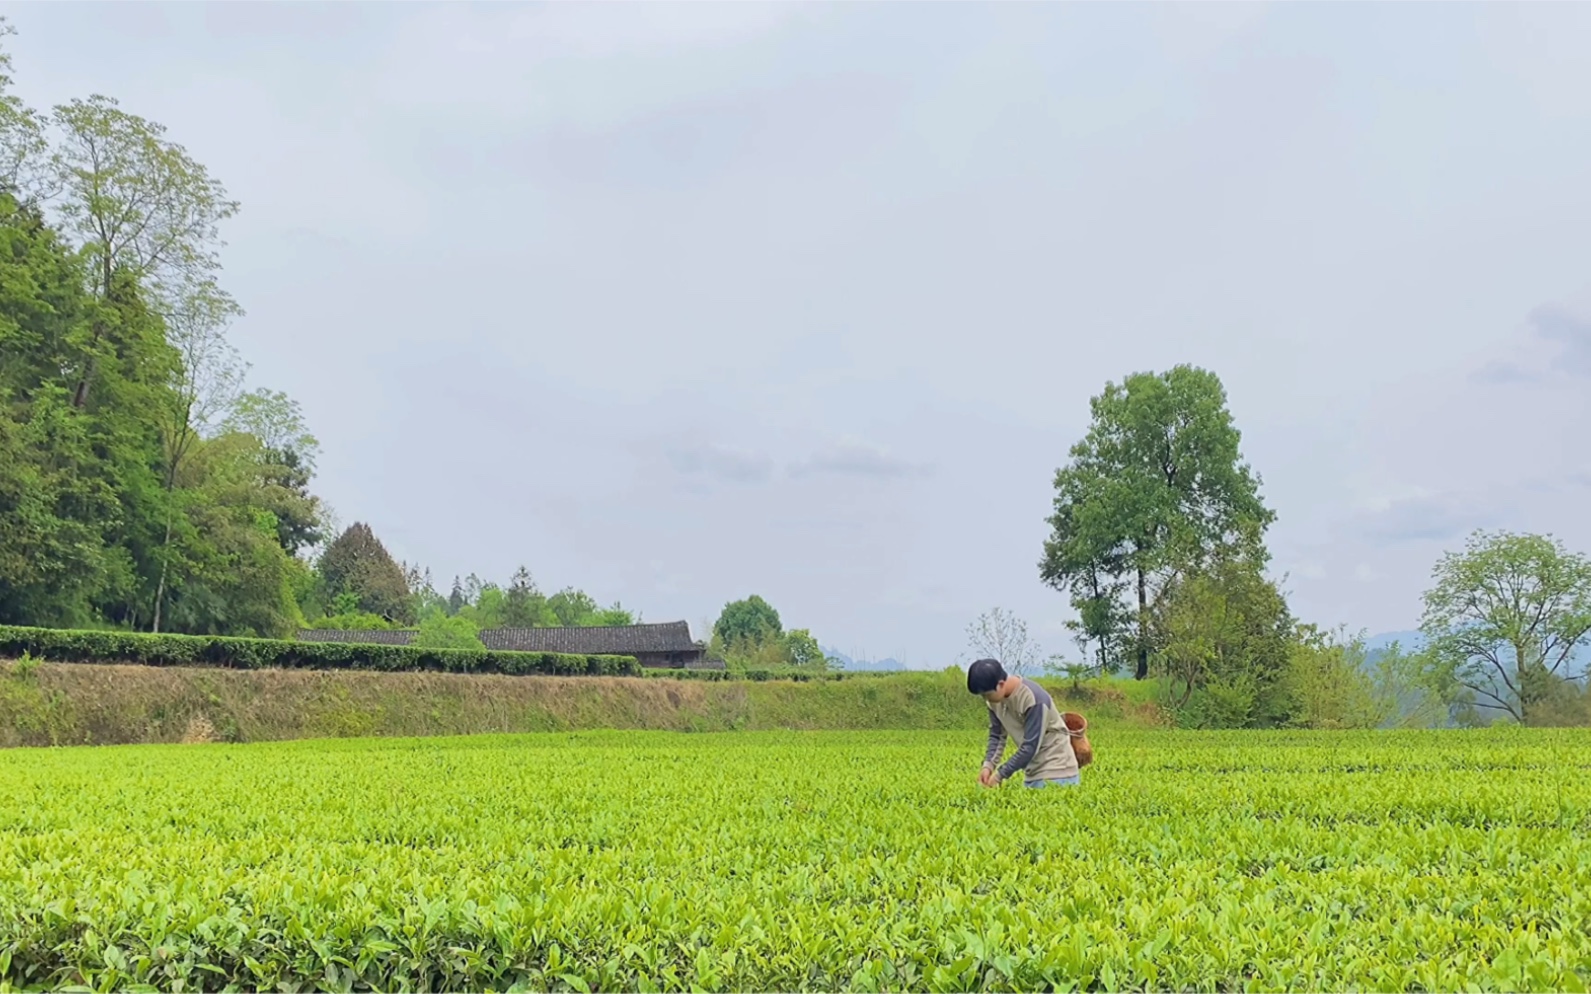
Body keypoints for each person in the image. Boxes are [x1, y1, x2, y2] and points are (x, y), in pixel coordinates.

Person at [966, 657, 1079, 789]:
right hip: (1032, 773)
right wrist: (988, 766)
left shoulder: (1033, 699)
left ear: (1001, 684)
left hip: (1058, 772)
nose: (985, 699)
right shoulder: (994, 701)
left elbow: (1030, 746)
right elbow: (997, 736)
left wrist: (1000, 775)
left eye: (986, 694)